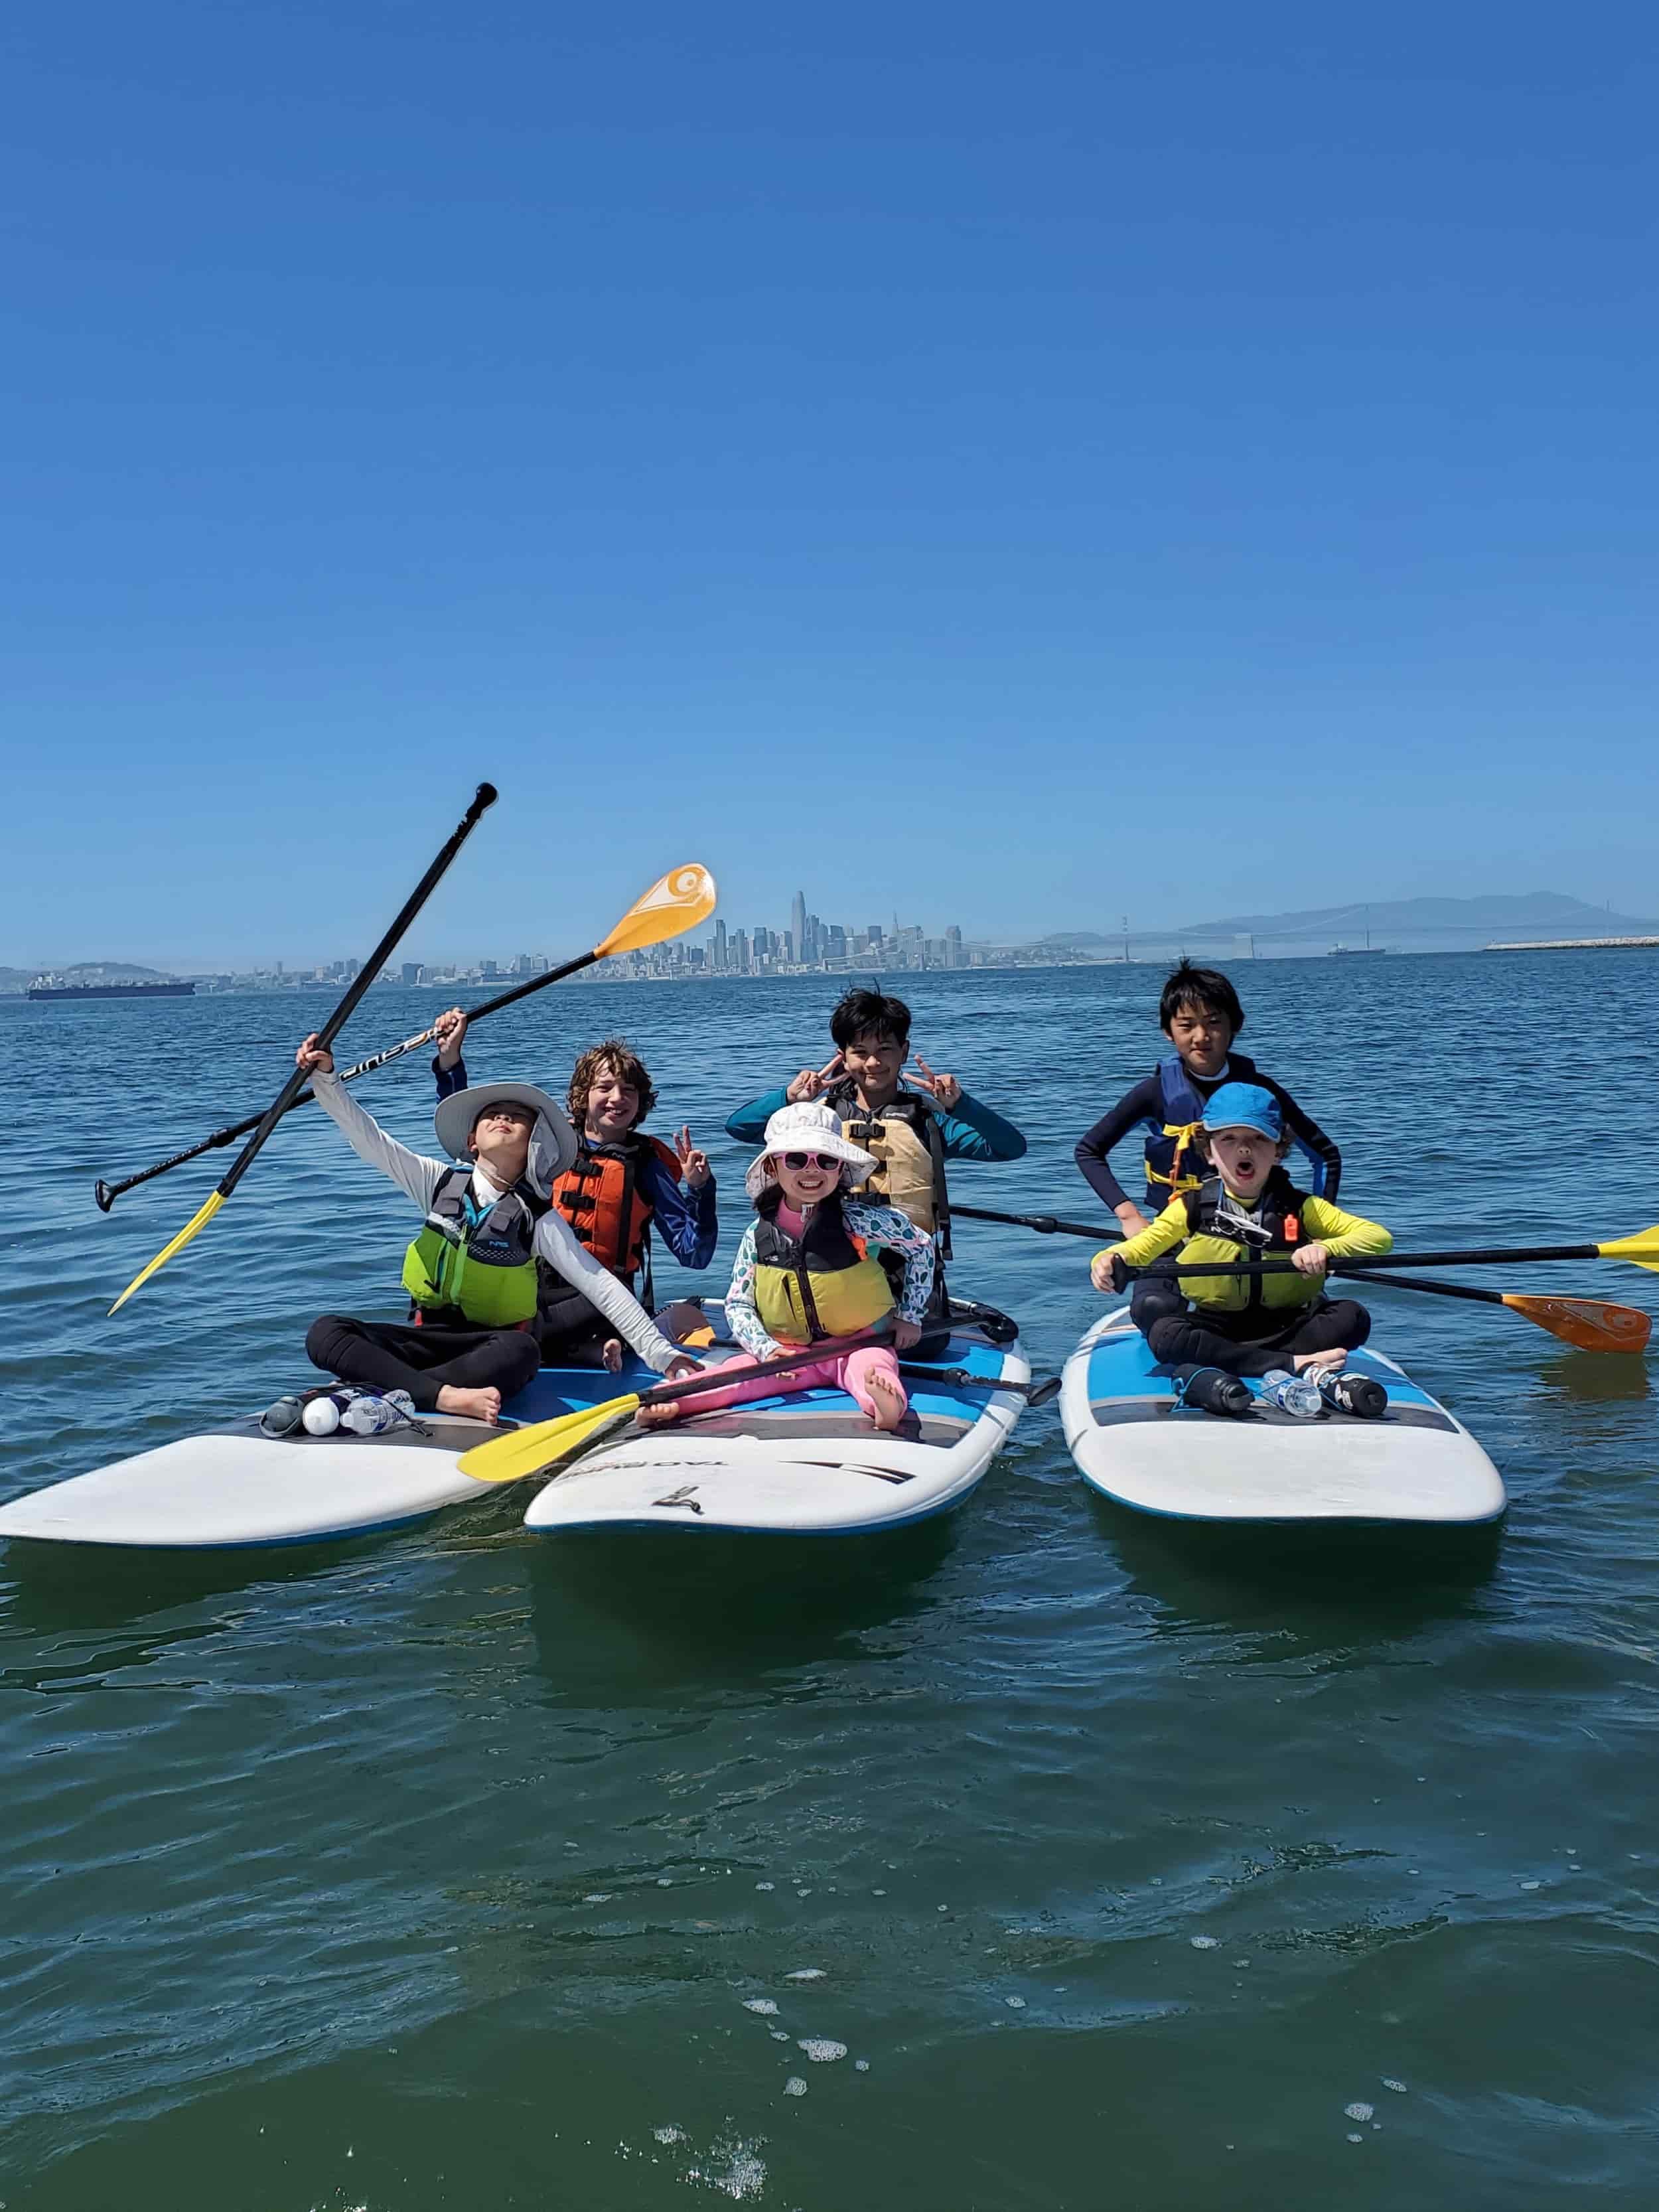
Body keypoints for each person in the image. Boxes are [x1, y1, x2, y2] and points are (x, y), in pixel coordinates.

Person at [297, 1032, 697, 1424]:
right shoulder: (435, 1181)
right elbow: (371, 1141)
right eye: (492, 1115)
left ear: (535, 1147)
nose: (504, 1117)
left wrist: (664, 1356)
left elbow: (601, 1286)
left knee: (521, 1353)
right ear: (472, 1141)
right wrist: (327, 1079)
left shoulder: (537, 1217)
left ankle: (382, 1390)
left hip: (485, 1348)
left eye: (518, 1117)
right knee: (325, 1332)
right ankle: (437, 1394)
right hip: (425, 1341)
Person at [431, 1009, 717, 1368]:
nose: (617, 1097)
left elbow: (694, 1254)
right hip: (535, 1291)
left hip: (601, 1301)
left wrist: (700, 1190)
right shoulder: (546, 1146)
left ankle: (596, 1346)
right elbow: (474, 1139)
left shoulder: (647, 1164)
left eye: (629, 1090)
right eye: (604, 1087)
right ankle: (590, 1352)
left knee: (533, 1323)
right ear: (582, 1096)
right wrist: (450, 1061)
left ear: (642, 1101)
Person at [1074, 960, 1341, 1341]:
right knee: (1152, 1310)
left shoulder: (1261, 1092)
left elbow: (1326, 1156)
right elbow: (1089, 1150)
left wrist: (1319, 1235)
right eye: (1187, 1026)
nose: (1202, 1036)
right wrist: (1128, 1215)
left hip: (1261, 1232)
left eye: (1214, 1022)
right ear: (1169, 1032)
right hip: (1178, 1233)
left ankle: (1268, 1341)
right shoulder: (1155, 1093)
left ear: (1236, 1025)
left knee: (1335, 1318)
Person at [1090, 1082, 1392, 1419]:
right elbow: (1143, 1247)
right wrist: (1108, 1260)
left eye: (1259, 1139)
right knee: (1165, 1335)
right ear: (1209, 1152)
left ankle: (1246, 1360)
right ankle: (1292, 1365)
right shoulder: (1190, 1207)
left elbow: (1378, 1237)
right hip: (1218, 1325)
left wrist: (1325, 1247)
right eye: (1229, 1140)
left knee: (1353, 1318)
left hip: (1287, 1327)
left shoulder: (1304, 1207)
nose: (1244, 1150)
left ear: (1278, 1150)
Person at [724, 987, 1025, 1322]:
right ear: (842, 1056)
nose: (873, 1063)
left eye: (885, 1050)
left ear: (904, 1051)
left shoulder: (928, 1121)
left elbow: (1010, 1148)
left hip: (909, 1267)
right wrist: (790, 1098)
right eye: (860, 1052)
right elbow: (739, 1127)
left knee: (921, 1347)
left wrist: (960, 1105)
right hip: (830, 1265)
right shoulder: (820, 1120)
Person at [636, 1102, 935, 1434]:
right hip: (787, 1354)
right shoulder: (757, 1235)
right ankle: (670, 1400)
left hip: (859, 1343)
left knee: (875, 1369)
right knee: (735, 1376)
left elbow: (920, 1245)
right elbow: (737, 1304)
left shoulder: (861, 1221)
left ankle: (884, 1405)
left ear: (840, 1170)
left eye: (826, 1160)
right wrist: (766, 1349)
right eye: (796, 1160)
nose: (812, 1171)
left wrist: (909, 1315)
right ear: (773, 1169)